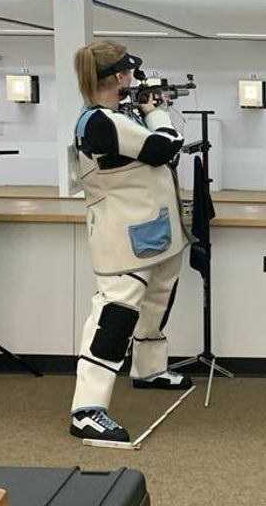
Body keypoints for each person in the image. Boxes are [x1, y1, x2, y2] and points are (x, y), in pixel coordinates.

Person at [69, 41, 192, 442]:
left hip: (151, 231)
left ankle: (148, 368)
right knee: (114, 316)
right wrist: (156, 110)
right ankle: (87, 408)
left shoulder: (113, 117)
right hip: (125, 239)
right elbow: (165, 147)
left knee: (156, 301)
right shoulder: (102, 121)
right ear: (119, 77)